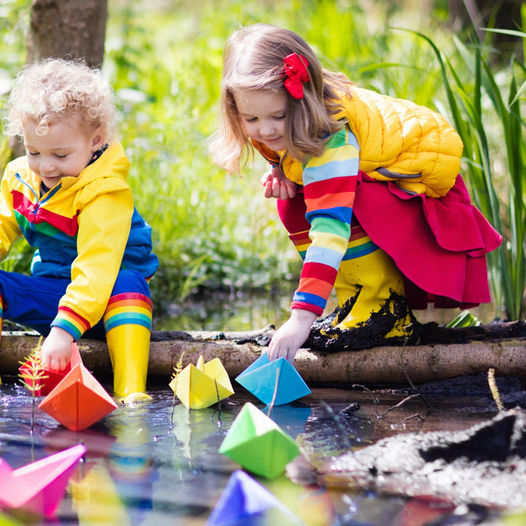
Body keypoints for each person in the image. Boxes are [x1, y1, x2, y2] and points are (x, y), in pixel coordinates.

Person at [210, 23, 502, 363]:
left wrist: (301, 318)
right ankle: (354, 302)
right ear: (235, 111)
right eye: (252, 119)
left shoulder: (331, 141)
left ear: (302, 103)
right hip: (366, 167)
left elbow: (329, 231)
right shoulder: (274, 121)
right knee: (293, 203)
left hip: (416, 176)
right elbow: (281, 143)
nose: (266, 129)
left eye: (278, 115)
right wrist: (281, 170)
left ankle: (384, 309)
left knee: (350, 205)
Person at [2, 58, 159, 401]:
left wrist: (63, 329)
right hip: (53, 297)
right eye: (34, 152)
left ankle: (131, 394)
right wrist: (59, 322)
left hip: (109, 307)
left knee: (126, 281)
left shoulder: (105, 190)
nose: (46, 166)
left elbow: (97, 267)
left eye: (60, 154)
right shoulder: (19, 178)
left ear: (95, 140)